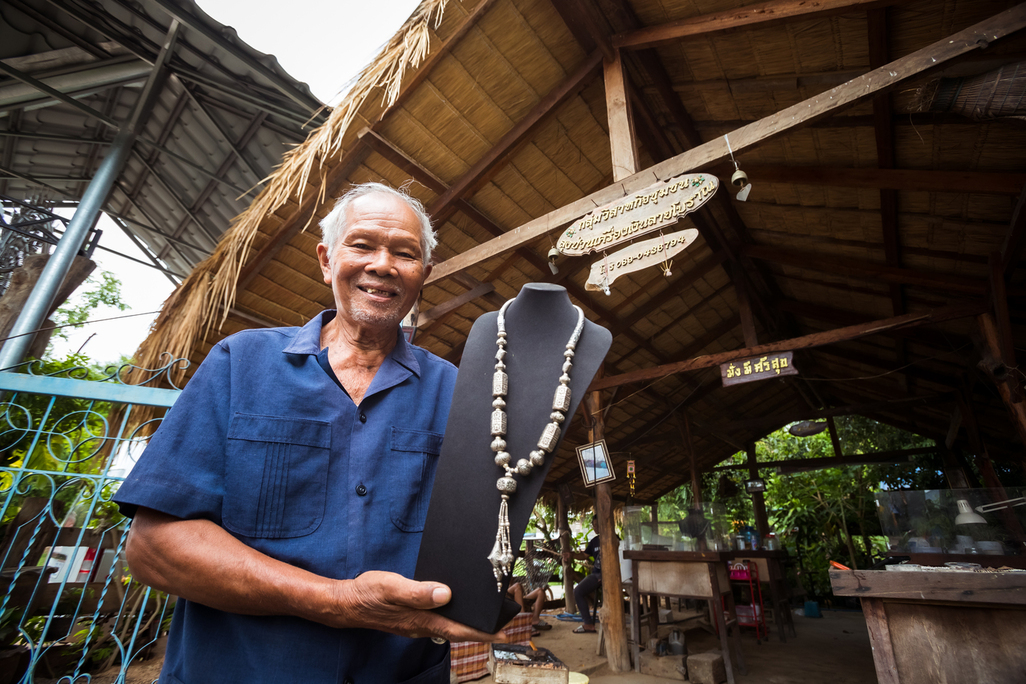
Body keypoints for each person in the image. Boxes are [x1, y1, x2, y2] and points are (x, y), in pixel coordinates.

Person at [115, 183, 500, 684]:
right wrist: (338, 602)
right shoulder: (241, 362)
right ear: (326, 259)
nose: (383, 264)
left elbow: (482, 537)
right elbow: (153, 548)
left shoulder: (459, 392)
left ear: (422, 275)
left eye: (405, 253)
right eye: (362, 245)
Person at [565, 526, 604, 634]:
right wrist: (571, 554)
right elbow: (584, 555)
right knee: (577, 591)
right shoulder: (594, 541)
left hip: (610, 575)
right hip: (596, 575)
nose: (595, 526)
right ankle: (588, 624)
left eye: (597, 523)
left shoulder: (615, 539)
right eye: (594, 524)